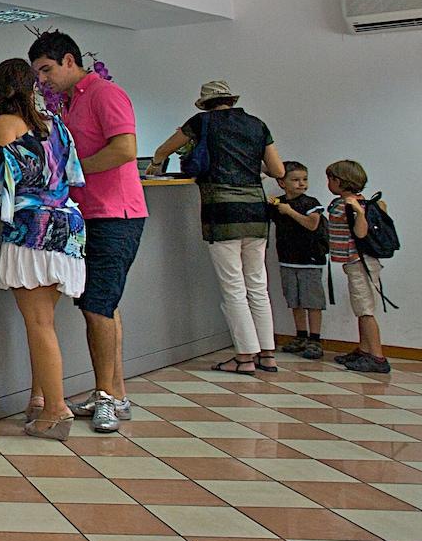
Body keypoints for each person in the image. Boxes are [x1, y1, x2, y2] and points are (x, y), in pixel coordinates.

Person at [29, 30, 140, 433]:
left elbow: (125, 149)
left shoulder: (105, 93)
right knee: (101, 305)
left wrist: (72, 172)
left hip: (116, 214)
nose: (43, 79)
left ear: (69, 61)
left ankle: (106, 397)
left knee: (97, 306)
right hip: (86, 215)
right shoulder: (69, 103)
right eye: (38, 74)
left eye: (47, 69)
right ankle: (115, 393)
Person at [0, 58, 88, 440]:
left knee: (39, 324)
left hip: (32, 229)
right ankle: (39, 399)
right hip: (68, 226)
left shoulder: (5, 124)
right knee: (46, 322)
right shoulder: (55, 124)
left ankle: (56, 411)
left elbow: (0, 182)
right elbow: (73, 175)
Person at [146, 81, 285, 376]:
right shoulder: (257, 125)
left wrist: (155, 164)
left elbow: (163, 149)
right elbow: (278, 171)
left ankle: (245, 357)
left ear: (206, 104)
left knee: (233, 287)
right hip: (256, 211)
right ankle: (268, 354)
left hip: (222, 211)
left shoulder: (201, 122)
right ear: (230, 100)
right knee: (258, 285)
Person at [325, 159, 391, 374]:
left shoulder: (351, 205)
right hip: (357, 263)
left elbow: (361, 233)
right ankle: (364, 349)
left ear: (339, 181)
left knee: (365, 310)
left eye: (330, 179)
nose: (328, 183)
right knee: (361, 308)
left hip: (360, 263)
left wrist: (359, 214)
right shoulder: (354, 202)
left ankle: (377, 357)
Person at [268, 161, 328, 360]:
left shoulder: (310, 203)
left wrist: (290, 212)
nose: (301, 184)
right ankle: (301, 335)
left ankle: (315, 339)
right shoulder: (278, 203)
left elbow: (312, 224)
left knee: (313, 302)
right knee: (295, 301)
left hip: (310, 260)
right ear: (282, 183)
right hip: (287, 259)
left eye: (304, 179)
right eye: (295, 180)